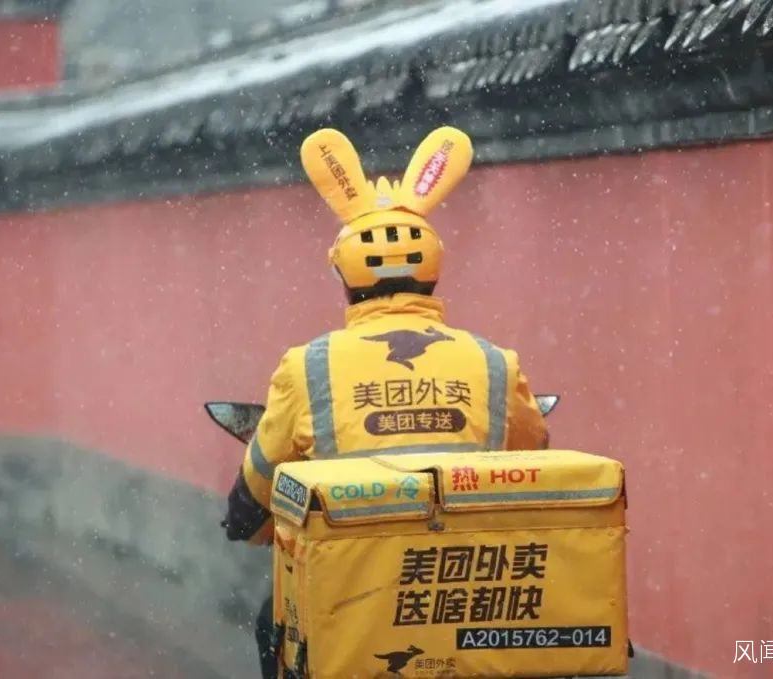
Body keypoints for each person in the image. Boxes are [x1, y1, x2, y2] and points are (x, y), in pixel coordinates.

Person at [221, 126, 548, 675]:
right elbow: (533, 455)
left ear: (344, 279)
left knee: (271, 624)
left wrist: (242, 519)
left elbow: (263, 477)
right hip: (470, 588)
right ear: (433, 273)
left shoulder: (309, 366)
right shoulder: (494, 362)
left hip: (350, 587)